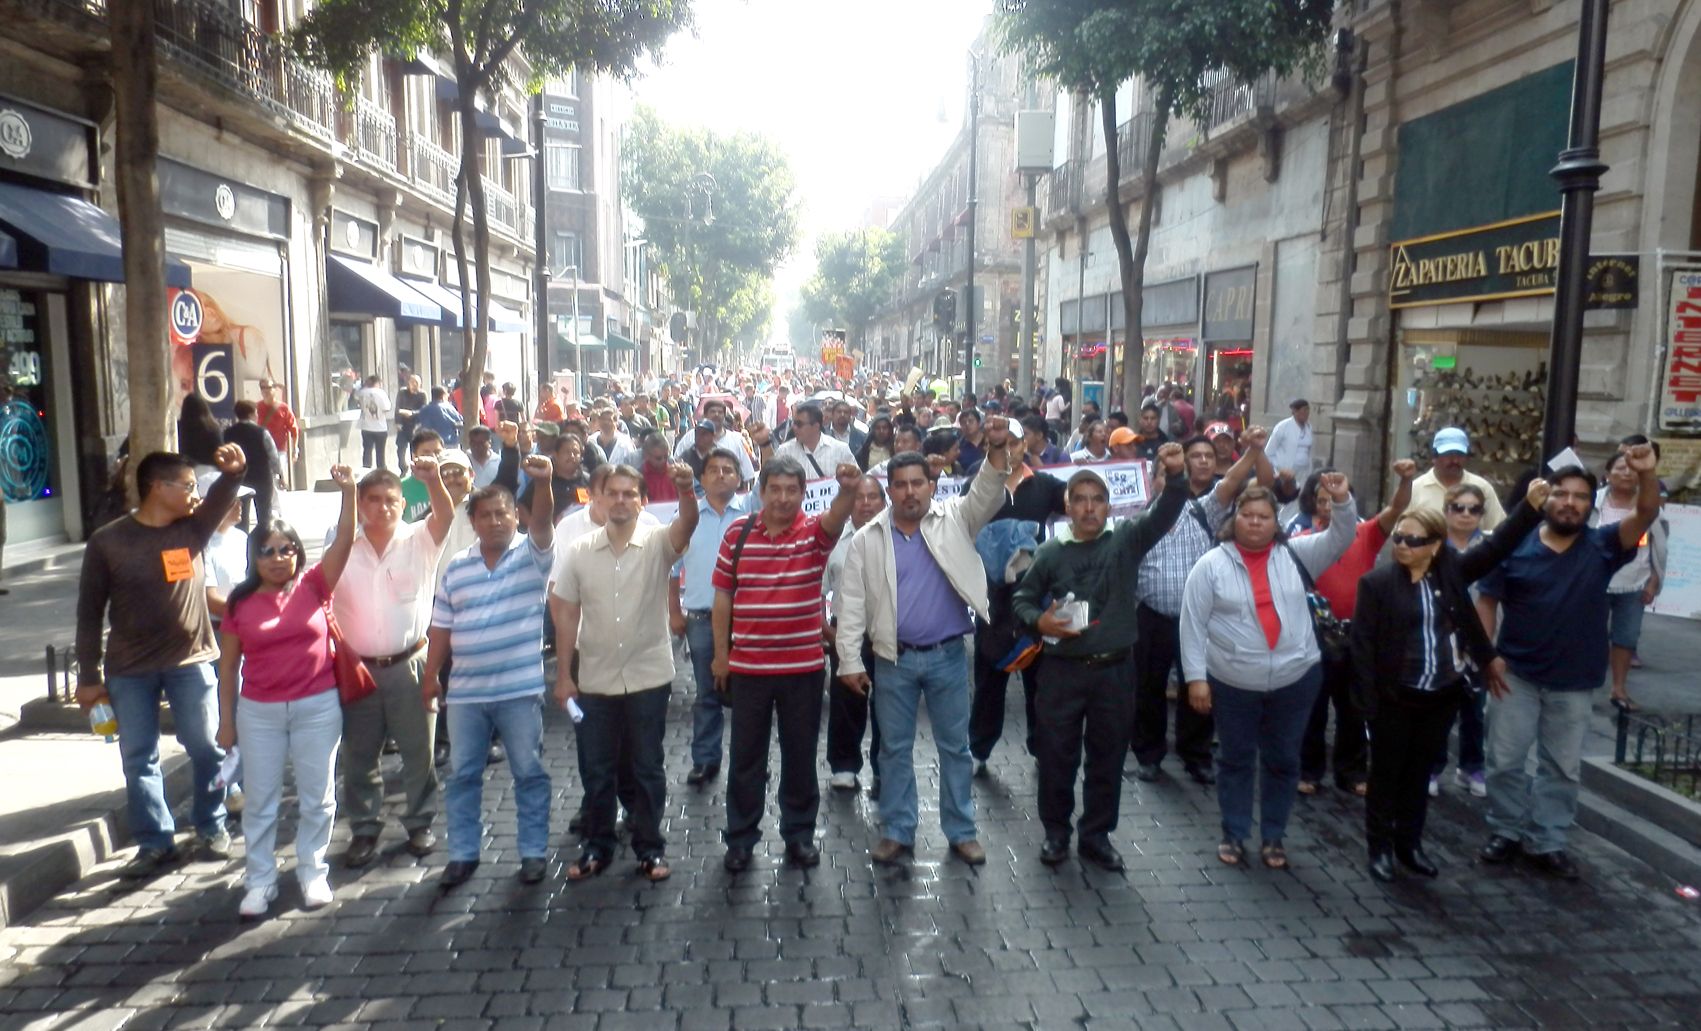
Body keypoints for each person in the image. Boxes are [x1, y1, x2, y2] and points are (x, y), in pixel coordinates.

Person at [835, 418, 1021, 866]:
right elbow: (852, 605)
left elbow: (987, 492)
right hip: (892, 660)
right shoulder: (867, 539)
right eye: (900, 485)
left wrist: (997, 451)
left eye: (917, 483)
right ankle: (897, 829)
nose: (909, 492)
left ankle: (961, 831)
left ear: (931, 486)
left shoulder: (955, 518)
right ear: (889, 490)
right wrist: (848, 661)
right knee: (893, 749)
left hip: (948, 658)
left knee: (955, 748)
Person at [1476, 445, 1663, 880]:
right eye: (1561, 494)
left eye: (1580, 497)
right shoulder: (1513, 545)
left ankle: (1548, 841)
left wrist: (1646, 475)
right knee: (1503, 761)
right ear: (1545, 498)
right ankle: (1505, 830)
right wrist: (1488, 656)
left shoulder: (1604, 544)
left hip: (1574, 680)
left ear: (1589, 505)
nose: (1570, 503)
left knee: (1561, 767)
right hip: (1515, 676)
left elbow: (1646, 513)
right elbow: (1486, 601)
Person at [1350, 480, 1546, 883]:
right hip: (1395, 697)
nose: (1403, 545)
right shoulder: (1377, 584)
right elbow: (1363, 648)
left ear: (1435, 545)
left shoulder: (1451, 572)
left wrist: (1528, 507)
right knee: (1386, 775)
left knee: (1419, 773)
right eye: (1399, 537)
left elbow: (1496, 547)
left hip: (1439, 696)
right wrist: (1369, 706)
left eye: (1413, 540)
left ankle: (1409, 845)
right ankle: (1379, 848)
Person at [1010, 444, 1190, 870]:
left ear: (1109, 506)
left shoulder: (1126, 539)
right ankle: (1056, 833)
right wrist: (1040, 621)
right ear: (1068, 507)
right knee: (1056, 756)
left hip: (1115, 669)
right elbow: (1022, 600)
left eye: (1097, 500)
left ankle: (1096, 835)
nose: (1089, 508)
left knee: (1108, 758)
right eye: (1080, 500)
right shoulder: (1050, 552)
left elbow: (1167, 510)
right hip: (1062, 671)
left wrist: (1177, 477)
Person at [75, 445, 247, 877]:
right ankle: (155, 842)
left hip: (190, 661)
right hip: (129, 669)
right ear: (157, 487)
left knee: (207, 747)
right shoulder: (108, 541)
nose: (194, 494)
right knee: (139, 757)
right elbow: (89, 612)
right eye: (187, 486)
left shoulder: (193, 529)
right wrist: (89, 676)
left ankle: (211, 824)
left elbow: (222, 496)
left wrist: (234, 472)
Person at [1180, 475, 1358, 871]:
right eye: (1248, 515)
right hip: (1233, 682)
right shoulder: (1210, 566)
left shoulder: (1298, 554)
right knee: (1236, 759)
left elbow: (1343, 535)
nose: (1255, 522)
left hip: (1296, 680)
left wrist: (1342, 499)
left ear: (1276, 522)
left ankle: (1274, 835)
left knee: (1283, 759)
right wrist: (1195, 679)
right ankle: (1234, 832)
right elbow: (1192, 624)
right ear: (1235, 518)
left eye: (1264, 516)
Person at [214, 466, 358, 917]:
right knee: (260, 802)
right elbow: (228, 667)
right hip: (260, 713)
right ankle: (260, 881)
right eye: (268, 551)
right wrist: (226, 722)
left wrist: (349, 492)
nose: (278, 558)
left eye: (287, 549)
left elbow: (345, 541)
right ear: (255, 557)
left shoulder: (315, 585)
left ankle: (312, 871)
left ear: (298, 552)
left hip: (317, 706)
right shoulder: (240, 602)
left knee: (319, 796)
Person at [553, 462, 698, 882]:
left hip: (648, 676)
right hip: (595, 678)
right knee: (597, 769)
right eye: (612, 493)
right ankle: (597, 846)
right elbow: (566, 614)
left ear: (642, 501)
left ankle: (650, 848)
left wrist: (686, 491)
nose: (620, 500)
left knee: (647, 766)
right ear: (597, 499)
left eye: (628, 493)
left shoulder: (657, 542)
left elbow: (687, 525)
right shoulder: (579, 550)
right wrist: (564, 675)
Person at [713, 457, 860, 872]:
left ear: (802, 493)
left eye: (791, 490)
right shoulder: (737, 534)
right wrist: (721, 656)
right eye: (774, 489)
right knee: (746, 759)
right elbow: (723, 596)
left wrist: (848, 490)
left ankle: (799, 834)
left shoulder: (814, 534)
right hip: (748, 669)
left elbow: (837, 515)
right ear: (761, 492)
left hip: (802, 670)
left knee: (800, 756)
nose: (782, 498)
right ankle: (740, 838)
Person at [423, 455, 557, 890]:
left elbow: (543, 521)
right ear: (474, 522)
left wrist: (543, 483)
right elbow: (441, 627)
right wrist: (431, 675)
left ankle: (533, 852)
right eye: (486, 515)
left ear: (516, 517)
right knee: (463, 776)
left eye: (503, 513)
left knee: (528, 772)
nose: (496, 521)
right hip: (465, 695)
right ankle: (462, 854)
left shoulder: (533, 556)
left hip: (520, 691)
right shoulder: (457, 567)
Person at [1130, 429, 1272, 787]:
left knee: (1198, 685)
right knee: (1148, 688)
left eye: (1174, 475)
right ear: (1153, 482)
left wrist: (1253, 451)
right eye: (1163, 475)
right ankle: (1149, 755)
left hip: (1196, 619)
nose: (1169, 481)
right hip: (1150, 617)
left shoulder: (1201, 510)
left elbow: (1231, 483)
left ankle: (1196, 755)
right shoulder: (1136, 522)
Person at [332, 456, 453, 868]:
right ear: (360, 504)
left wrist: (432, 479)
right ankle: (364, 828)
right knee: (359, 755)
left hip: (411, 664)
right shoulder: (342, 548)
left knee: (419, 751)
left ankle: (420, 822)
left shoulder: (420, 540)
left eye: (390, 500)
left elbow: (445, 514)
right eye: (373, 499)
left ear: (403, 504)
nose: (382, 507)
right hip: (358, 669)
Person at [1290, 460, 1418, 797]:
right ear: (1313, 504)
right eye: (1321, 500)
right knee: (1313, 707)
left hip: (1357, 636)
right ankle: (1309, 769)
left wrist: (1406, 480)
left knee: (1353, 708)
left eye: (1334, 499)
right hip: (1316, 636)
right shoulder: (1301, 541)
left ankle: (1351, 771)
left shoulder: (1367, 533)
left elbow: (1397, 508)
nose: (1327, 506)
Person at [674, 448, 757, 786]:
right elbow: (672, 568)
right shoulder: (687, 516)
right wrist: (673, 611)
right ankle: (705, 759)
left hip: (747, 620)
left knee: (750, 697)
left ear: (739, 477)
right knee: (706, 693)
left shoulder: (753, 512)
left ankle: (750, 761)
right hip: (701, 620)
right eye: (713, 469)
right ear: (702, 478)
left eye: (728, 469)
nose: (721, 474)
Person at [823, 475, 887, 793]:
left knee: (888, 703)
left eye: (873, 497)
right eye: (859, 497)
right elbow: (814, 593)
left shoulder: (899, 537)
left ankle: (884, 766)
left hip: (888, 631)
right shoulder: (832, 540)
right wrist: (830, 633)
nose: (865, 504)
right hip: (845, 632)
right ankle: (844, 765)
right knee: (846, 701)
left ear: (884, 502)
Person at [1428, 483, 1493, 797]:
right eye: (1459, 508)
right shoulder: (1434, 548)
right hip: (1442, 638)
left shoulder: (1491, 548)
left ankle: (1471, 767)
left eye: (1474, 509)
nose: (1466, 514)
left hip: (1479, 638)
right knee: (1439, 710)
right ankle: (1433, 766)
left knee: (1475, 710)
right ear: (1447, 511)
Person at [1594, 449, 1667, 713]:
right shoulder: (1592, 504)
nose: (1626, 473)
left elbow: (1660, 547)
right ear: (1607, 474)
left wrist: (1653, 581)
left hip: (1635, 583)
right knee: (1587, 637)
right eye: (1620, 468)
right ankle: (1581, 687)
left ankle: (1619, 689)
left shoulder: (1649, 507)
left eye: (1631, 469)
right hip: (1594, 582)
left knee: (1626, 638)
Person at [1409, 427, 1506, 531]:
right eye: (1448, 455)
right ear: (1434, 457)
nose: (1455, 460)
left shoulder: (1482, 487)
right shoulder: (1415, 489)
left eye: (1460, 455)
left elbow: (1499, 528)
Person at [222, 400, 279, 532]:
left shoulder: (228, 433)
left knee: (241, 516)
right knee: (264, 514)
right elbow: (273, 454)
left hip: (240, 478)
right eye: (256, 412)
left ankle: (243, 539)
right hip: (262, 476)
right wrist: (278, 472)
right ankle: (263, 539)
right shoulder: (261, 432)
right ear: (252, 414)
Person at [773, 401, 856, 476]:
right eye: (794, 423)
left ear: (816, 426)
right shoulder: (784, 451)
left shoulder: (841, 450)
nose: (794, 428)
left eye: (799, 424)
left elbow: (856, 479)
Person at [256, 378, 300, 484]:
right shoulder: (257, 407)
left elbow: (294, 429)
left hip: (279, 449)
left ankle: (281, 486)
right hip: (262, 449)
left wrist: (295, 449)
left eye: (269, 387)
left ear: (275, 389)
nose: (266, 390)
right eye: (263, 388)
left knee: (278, 475)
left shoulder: (284, 408)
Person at [1264, 398, 1314, 481]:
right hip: (1285, 473)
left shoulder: (1308, 428)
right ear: (1295, 412)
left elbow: (1309, 452)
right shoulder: (1283, 427)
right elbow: (1268, 452)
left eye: (1308, 410)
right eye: (1304, 410)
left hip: (1303, 473)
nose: (1307, 413)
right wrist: (1279, 468)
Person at [355, 375, 393, 469]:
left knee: (367, 451)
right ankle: (381, 471)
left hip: (366, 427)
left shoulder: (362, 392)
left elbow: (357, 400)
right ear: (377, 383)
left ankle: (366, 470)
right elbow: (387, 408)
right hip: (380, 427)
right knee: (380, 453)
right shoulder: (381, 393)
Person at [394, 374, 428, 472]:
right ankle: (403, 468)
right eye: (412, 382)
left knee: (414, 449)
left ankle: (415, 468)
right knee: (400, 448)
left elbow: (423, 410)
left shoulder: (422, 394)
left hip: (415, 425)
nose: (414, 384)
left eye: (416, 383)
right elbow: (397, 407)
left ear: (420, 384)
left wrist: (412, 413)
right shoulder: (402, 392)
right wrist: (397, 422)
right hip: (403, 424)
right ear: (408, 383)